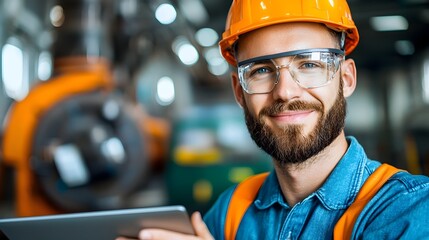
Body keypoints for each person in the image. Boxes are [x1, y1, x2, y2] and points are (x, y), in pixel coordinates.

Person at [117, 0, 429, 239]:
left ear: (346, 78)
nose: (285, 91)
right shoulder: (232, 212)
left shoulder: (407, 209)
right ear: (239, 92)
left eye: (308, 64)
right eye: (261, 70)